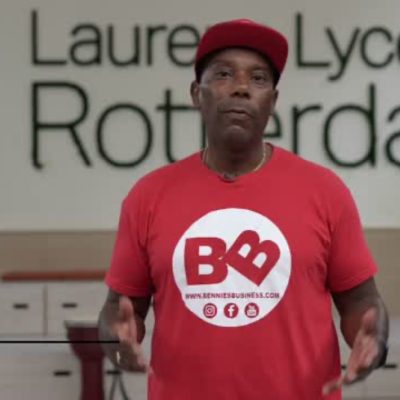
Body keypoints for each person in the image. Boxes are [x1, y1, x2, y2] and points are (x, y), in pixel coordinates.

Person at [98, 18, 389, 400]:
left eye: (258, 79)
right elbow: (120, 310)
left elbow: (361, 302)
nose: (241, 87)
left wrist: (372, 339)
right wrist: (118, 342)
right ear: (196, 94)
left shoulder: (325, 191)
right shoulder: (149, 195)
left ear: (273, 101)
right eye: (223, 74)